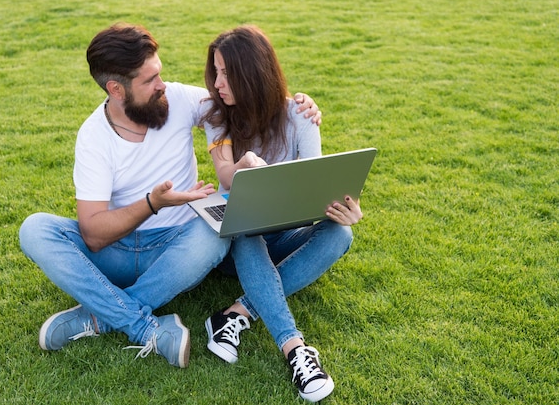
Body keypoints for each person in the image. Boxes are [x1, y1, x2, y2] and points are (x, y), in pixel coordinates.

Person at [18, 23, 321, 369]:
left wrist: (299, 104)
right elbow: (93, 234)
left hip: (181, 247)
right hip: (118, 251)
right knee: (35, 229)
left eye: (158, 73)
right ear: (117, 89)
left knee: (219, 225)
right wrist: (152, 204)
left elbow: (239, 95)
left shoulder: (178, 99)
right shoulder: (93, 138)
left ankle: (100, 316)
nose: (162, 84)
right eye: (149, 81)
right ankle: (143, 325)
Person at [200, 25, 364, 401]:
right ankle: (295, 349)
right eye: (216, 71)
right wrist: (245, 165)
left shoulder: (300, 116)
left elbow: (316, 186)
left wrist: (344, 209)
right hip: (237, 247)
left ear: (253, 73)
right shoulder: (217, 115)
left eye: (227, 73)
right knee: (245, 227)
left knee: (341, 234)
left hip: (286, 237)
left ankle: (235, 313)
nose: (218, 83)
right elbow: (225, 173)